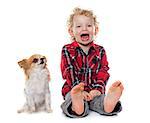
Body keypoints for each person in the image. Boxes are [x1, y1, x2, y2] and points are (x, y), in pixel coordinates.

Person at [60, 7, 124, 118]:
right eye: (79, 26)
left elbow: (103, 71)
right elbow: (68, 70)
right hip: (73, 88)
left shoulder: (100, 50)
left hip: (94, 90)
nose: (84, 28)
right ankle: (77, 104)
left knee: (99, 100)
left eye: (89, 25)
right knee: (72, 98)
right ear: (71, 31)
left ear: (96, 30)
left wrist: (97, 89)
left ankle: (108, 104)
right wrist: (77, 88)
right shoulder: (67, 49)